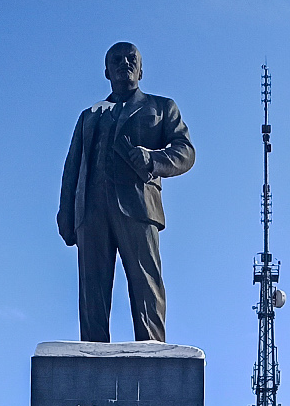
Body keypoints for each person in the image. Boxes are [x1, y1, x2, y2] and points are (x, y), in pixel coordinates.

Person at [57, 41, 196, 342]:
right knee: (91, 290)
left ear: (141, 69)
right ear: (106, 71)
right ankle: (92, 353)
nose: (125, 63)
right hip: (91, 211)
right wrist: (67, 214)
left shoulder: (161, 107)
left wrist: (153, 159)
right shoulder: (89, 116)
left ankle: (153, 351)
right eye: (116, 60)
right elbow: (72, 169)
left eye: (131, 59)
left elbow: (185, 152)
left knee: (146, 283)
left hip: (138, 207)